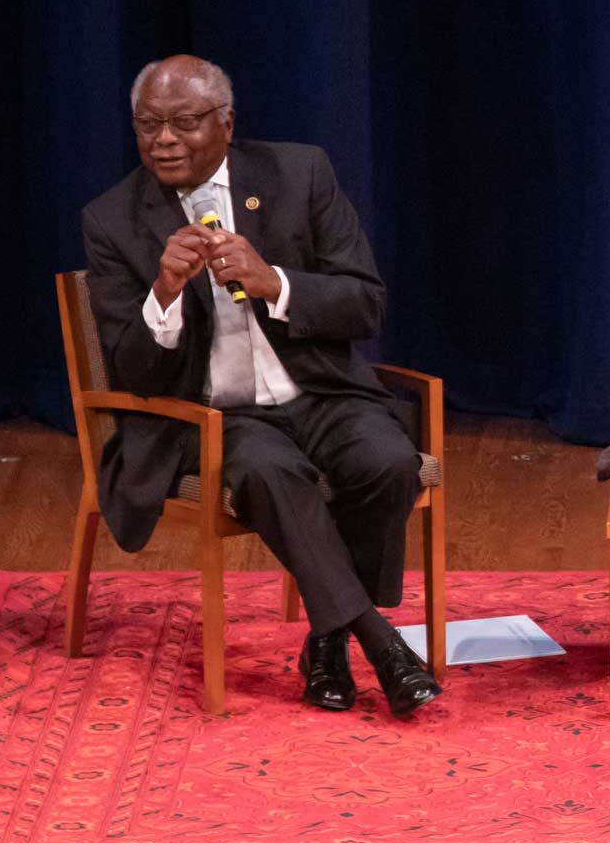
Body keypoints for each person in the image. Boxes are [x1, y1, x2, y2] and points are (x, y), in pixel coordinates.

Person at [81, 55, 441, 717]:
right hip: (212, 416)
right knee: (273, 475)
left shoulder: (299, 174)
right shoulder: (112, 220)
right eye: (148, 126)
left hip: (319, 392)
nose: (163, 140)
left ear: (225, 123)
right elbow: (131, 371)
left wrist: (275, 280)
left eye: (183, 123)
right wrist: (162, 295)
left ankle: (328, 642)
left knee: (389, 463)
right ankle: (381, 644)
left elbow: (366, 304)